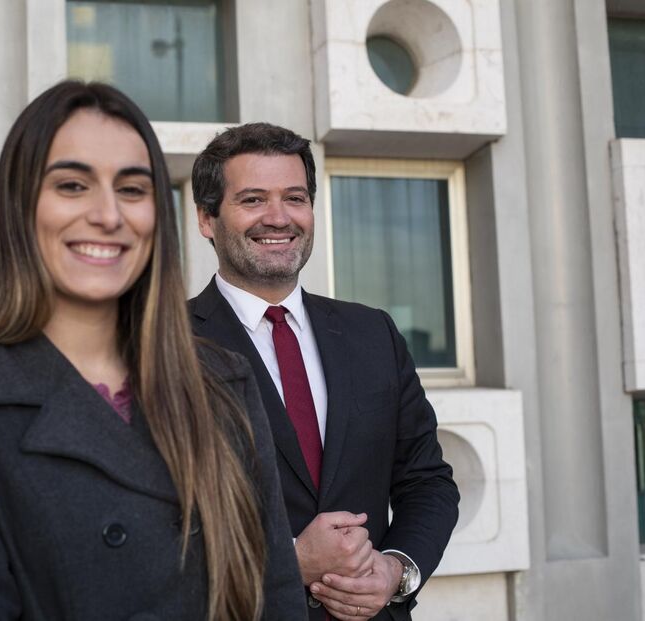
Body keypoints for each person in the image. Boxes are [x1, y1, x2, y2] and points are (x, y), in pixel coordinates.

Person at [0, 83, 305, 621]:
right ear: (21, 204)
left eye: (132, 189)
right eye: (73, 184)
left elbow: (278, 595)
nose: (108, 215)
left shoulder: (223, 380)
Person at [188, 122, 460, 621]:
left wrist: (397, 570)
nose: (278, 218)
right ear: (207, 218)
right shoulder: (165, 346)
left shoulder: (373, 333)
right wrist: (288, 562)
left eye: (295, 197)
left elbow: (428, 482)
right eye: (252, 200)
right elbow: (146, 530)